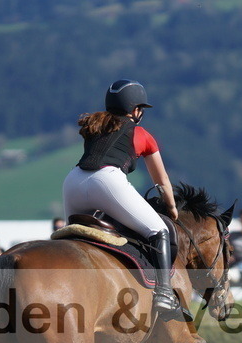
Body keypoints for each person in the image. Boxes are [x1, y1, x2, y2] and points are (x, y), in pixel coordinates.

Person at [62, 79, 179, 312]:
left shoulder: (96, 126)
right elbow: (161, 180)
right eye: (141, 108)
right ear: (134, 109)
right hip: (107, 182)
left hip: (73, 181)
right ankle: (165, 292)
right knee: (159, 231)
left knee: (70, 239)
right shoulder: (141, 133)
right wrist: (172, 208)